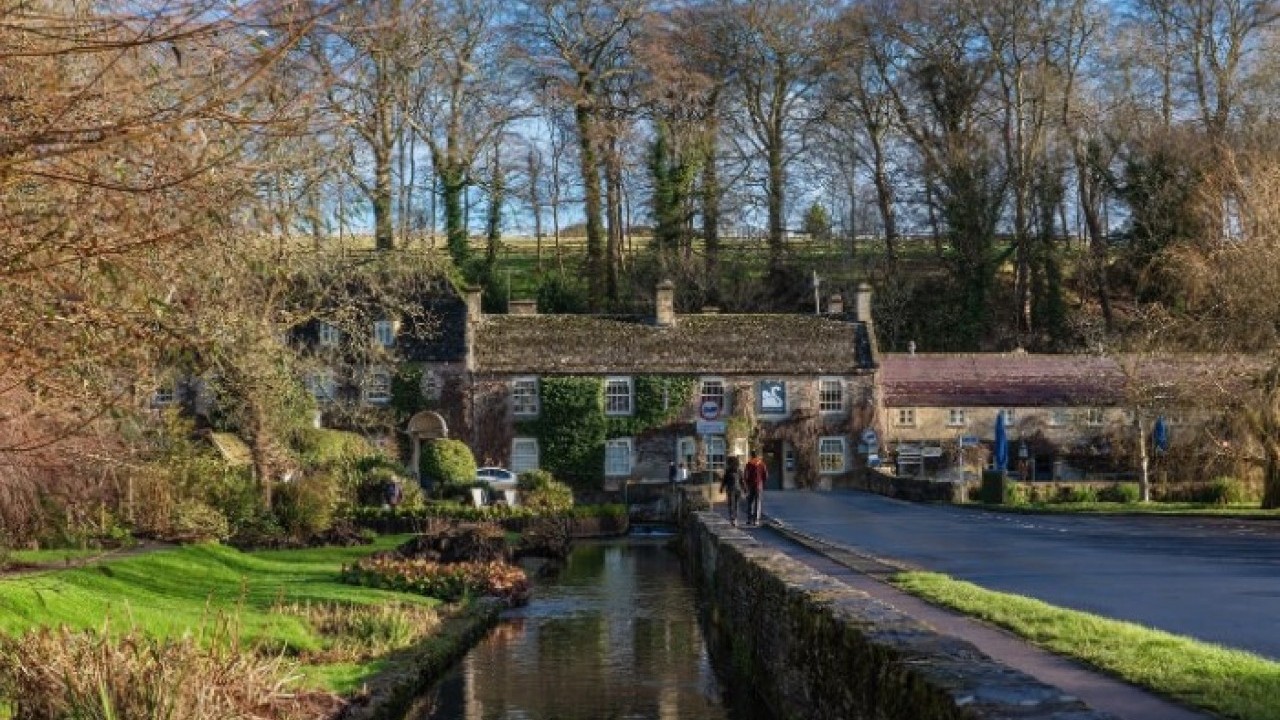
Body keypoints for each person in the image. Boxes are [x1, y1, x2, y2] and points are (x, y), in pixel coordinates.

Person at [743, 450, 768, 526]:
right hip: (759, 485)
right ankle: (756, 520)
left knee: (750, 502)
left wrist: (746, 483)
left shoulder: (748, 464)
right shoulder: (762, 464)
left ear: (751, 455)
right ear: (758, 456)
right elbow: (766, 475)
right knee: (758, 502)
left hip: (750, 485)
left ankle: (749, 519)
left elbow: (745, 475)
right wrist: (762, 482)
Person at [719, 455, 745, 527]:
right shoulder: (739, 471)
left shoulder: (728, 471)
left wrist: (721, 488)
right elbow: (742, 481)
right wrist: (745, 489)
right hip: (738, 489)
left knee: (731, 505)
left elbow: (724, 481)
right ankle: (735, 519)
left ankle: (732, 519)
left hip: (730, 490)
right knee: (736, 505)